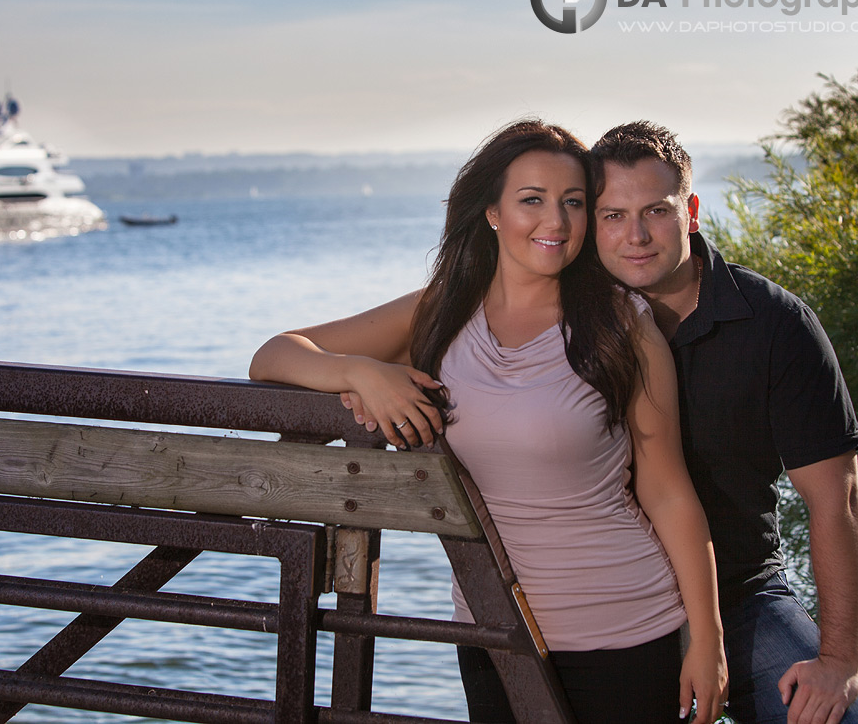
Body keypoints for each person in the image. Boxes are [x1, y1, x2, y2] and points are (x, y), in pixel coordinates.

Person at [250, 120, 727, 723]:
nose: (555, 222)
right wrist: (361, 373)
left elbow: (668, 491)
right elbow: (273, 356)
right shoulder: (442, 311)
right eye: (532, 200)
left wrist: (707, 640)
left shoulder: (623, 326)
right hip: (491, 626)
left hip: (624, 625)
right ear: (493, 213)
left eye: (573, 203)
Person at [589, 121, 858, 724]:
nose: (635, 236)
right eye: (612, 215)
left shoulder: (775, 325)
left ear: (690, 210)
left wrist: (840, 660)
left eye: (655, 211)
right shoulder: (569, 321)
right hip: (605, 602)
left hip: (741, 593)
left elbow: (836, 499)